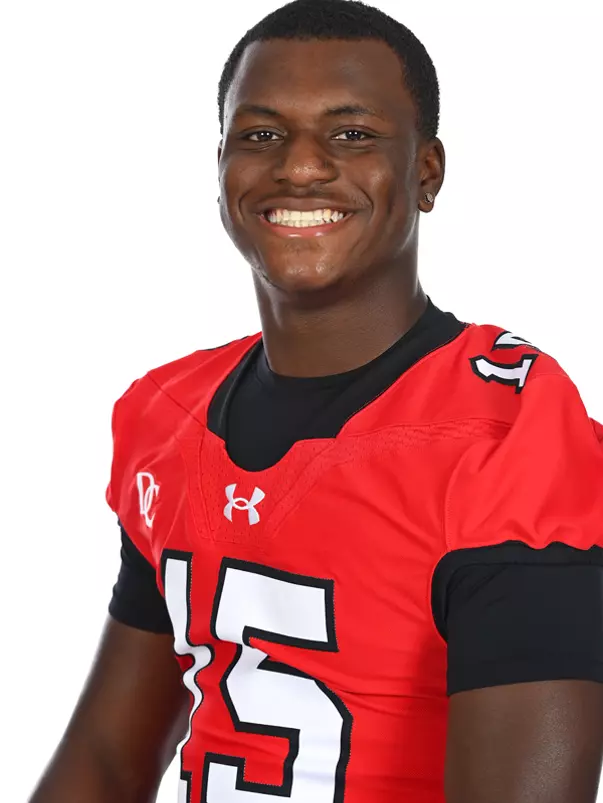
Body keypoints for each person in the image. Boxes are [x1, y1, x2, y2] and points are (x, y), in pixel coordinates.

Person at [30, 1, 603, 801]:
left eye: (351, 135)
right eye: (261, 135)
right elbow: (104, 759)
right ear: (221, 163)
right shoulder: (167, 412)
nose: (299, 168)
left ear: (426, 172)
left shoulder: (505, 429)